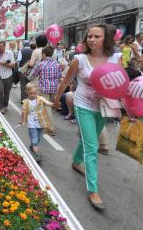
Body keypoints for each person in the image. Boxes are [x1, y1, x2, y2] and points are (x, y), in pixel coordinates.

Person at [53, 24, 122, 211]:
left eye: (96, 36)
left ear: (105, 38)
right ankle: (93, 189)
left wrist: (127, 106)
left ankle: (76, 162)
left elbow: (120, 83)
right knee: (93, 146)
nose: (91, 39)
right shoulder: (79, 59)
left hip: (105, 107)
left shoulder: (116, 58)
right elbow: (66, 81)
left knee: (87, 139)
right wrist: (57, 100)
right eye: (89, 36)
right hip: (83, 105)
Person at [30, 45, 62, 136]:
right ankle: (46, 124)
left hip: (44, 88)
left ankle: (50, 128)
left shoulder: (40, 64)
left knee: (47, 108)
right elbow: (59, 76)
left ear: (44, 54)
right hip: (54, 88)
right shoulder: (57, 64)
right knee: (49, 107)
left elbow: (33, 75)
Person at [21, 83, 54, 163]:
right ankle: (37, 155)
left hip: (41, 123)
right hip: (31, 125)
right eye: (30, 93)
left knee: (38, 138)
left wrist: (53, 104)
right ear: (27, 92)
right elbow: (23, 112)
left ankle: (33, 146)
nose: (33, 95)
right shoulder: (26, 102)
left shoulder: (40, 99)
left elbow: (47, 102)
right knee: (35, 139)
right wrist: (22, 121)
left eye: (34, 93)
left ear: (37, 92)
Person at [0, 41, 15, 114]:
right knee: (0, 91)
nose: (0, 48)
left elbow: (13, 65)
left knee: (7, 92)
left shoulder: (10, 53)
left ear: (5, 46)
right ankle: (1, 106)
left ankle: (5, 105)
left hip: (8, 75)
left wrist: (4, 63)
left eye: (2, 46)